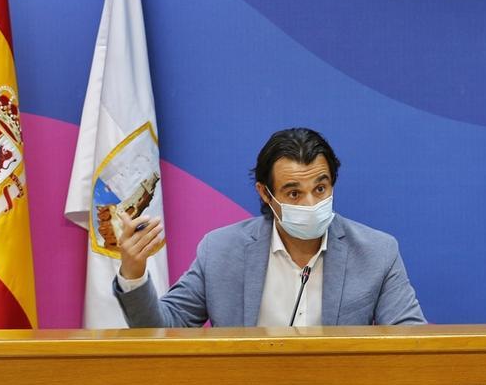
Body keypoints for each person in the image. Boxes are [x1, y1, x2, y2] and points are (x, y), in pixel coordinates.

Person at [113, 128, 426, 327]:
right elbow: (164, 330)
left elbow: (414, 346)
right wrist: (134, 273)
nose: (310, 203)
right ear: (266, 193)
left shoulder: (377, 253)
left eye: (321, 188)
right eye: (293, 193)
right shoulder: (221, 251)